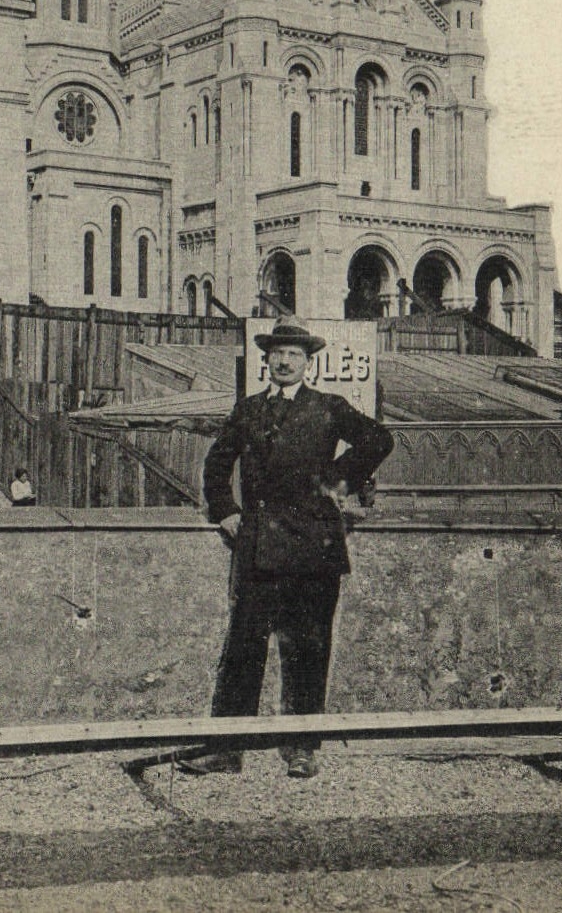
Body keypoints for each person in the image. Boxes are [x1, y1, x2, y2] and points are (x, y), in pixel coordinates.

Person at [180, 317, 393, 778]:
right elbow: (216, 465)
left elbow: (379, 439)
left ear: (307, 362)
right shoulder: (248, 410)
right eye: (277, 353)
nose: (284, 361)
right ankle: (226, 750)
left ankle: (302, 748)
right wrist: (226, 511)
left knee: (309, 649)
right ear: (267, 359)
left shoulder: (329, 406)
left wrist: (336, 478)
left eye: (294, 354)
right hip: (259, 546)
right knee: (243, 648)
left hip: (315, 547)